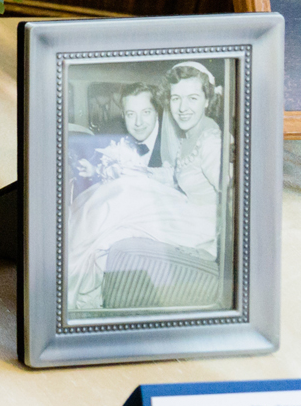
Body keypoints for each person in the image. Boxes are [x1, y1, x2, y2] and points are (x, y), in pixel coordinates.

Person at [66, 63, 227, 312]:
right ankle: (82, 287)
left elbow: (233, 191)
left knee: (116, 199)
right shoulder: (190, 132)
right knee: (111, 215)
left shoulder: (210, 141)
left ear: (207, 100)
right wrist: (140, 173)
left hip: (198, 225)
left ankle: (68, 277)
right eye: (176, 98)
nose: (183, 108)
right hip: (186, 210)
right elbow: (175, 174)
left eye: (193, 98)